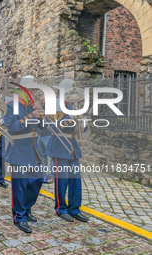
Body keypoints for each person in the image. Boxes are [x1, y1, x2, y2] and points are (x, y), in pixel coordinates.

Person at [4, 75, 45, 233]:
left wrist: (40, 116)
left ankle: (27, 208)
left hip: (34, 150)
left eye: (34, 89)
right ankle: (19, 216)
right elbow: (12, 127)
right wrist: (31, 116)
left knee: (37, 181)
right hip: (19, 149)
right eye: (30, 89)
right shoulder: (12, 105)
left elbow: (40, 127)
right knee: (19, 186)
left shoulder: (32, 105)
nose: (33, 92)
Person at [46, 79, 89, 223]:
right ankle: (61, 208)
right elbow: (52, 127)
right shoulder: (52, 105)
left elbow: (78, 129)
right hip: (59, 145)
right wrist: (68, 119)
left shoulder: (71, 106)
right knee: (61, 180)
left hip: (72, 146)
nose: (71, 95)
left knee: (75, 179)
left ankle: (74, 208)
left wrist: (83, 123)